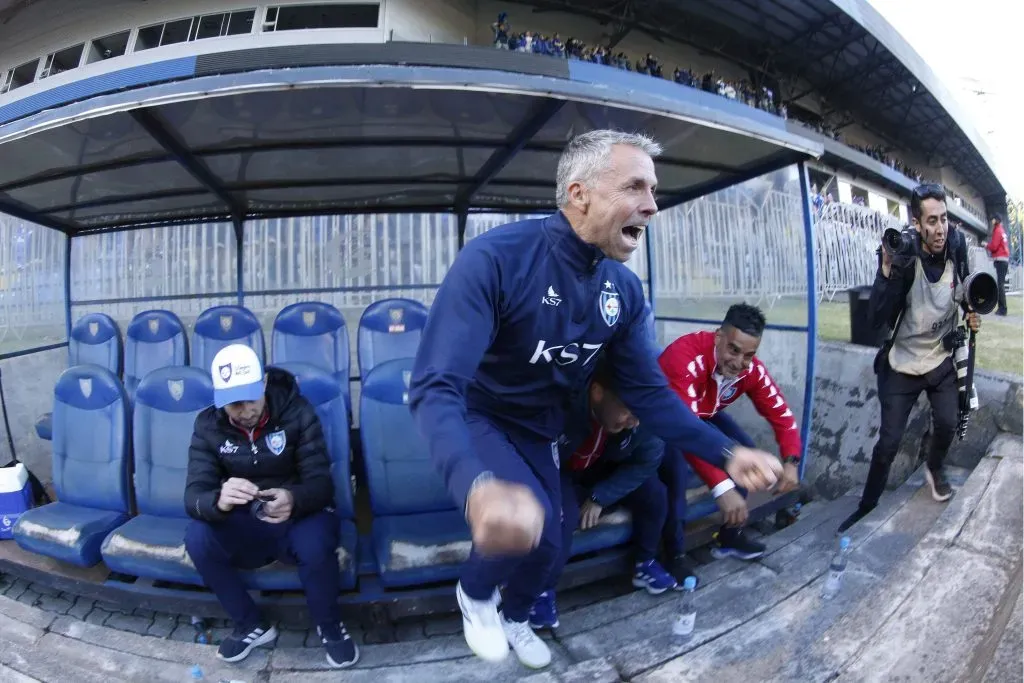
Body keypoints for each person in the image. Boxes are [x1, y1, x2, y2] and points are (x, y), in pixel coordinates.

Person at [408, 129, 782, 670]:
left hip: (544, 429)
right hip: (484, 417)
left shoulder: (623, 291)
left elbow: (651, 396)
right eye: (634, 187)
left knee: (551, 539)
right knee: (518, 522)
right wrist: (476, 487)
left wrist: (726, 452)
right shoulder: (496, 259)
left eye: (653, 190)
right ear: (579, 194)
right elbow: (435, 385)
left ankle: (517, 615)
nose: (652, 205)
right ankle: (476, 593)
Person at [183, 344, 358, 668]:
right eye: (234, 403)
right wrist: (217, 500)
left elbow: (321, 484)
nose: (244, 411)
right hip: (246, 519)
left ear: (263, 383)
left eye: (250, 398)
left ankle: (329, 625)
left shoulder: (298, 412)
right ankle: (250, 624)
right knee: (197, 537)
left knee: (316, 542)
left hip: (299, 515)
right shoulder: (208, 426)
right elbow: (193, 495)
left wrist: (294, 499)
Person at [838, 184, 982, 533]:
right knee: (888, 443)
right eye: (932, 221)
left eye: (944, 219)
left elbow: (964, 288)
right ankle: (867, 505)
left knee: (947, 422)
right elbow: (876, 318)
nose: (940, 228)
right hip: (902, 362)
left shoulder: (957, 245)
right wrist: (886, 270)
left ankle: (934, 466)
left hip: (939, 358)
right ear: (916, 224)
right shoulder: (903, 254)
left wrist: (971, 311)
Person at [656, 304, 802, 583]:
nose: (738, 362)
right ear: (718, 337)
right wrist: (721, 486)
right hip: (668, 422)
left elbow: (782, 415)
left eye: (748, 355)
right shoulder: (683, 357)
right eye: (733, 350)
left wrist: (792, 461)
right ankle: (673, 555)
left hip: (703, 413)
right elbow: (686, 430)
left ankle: (730, 536)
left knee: (746, 449)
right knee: (676, 471)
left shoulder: (751, 370)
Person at [528, 362, 676, 631]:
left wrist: (600, 497)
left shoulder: (643, 418)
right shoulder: (564, 401)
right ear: (597, 393)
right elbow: (532, 450)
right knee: (562, 515)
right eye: (629, 411)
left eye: (640, 414)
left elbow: (646, 462)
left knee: (654, 493)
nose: (635, 421)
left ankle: (645, 562)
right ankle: (540, 592)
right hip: (558, 470)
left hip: (603, 469)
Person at [983, 215, 1009, 316]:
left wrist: (986, 245)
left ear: (997, 220)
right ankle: (1002, 308)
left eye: (993, 219)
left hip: (1000, 259)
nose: (992, 221)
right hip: (1004, 259)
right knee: (1000, 284)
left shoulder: (997, 230)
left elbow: (994, 246)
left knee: (1000, 285)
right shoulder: (1001, 230)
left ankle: (1002, 309)